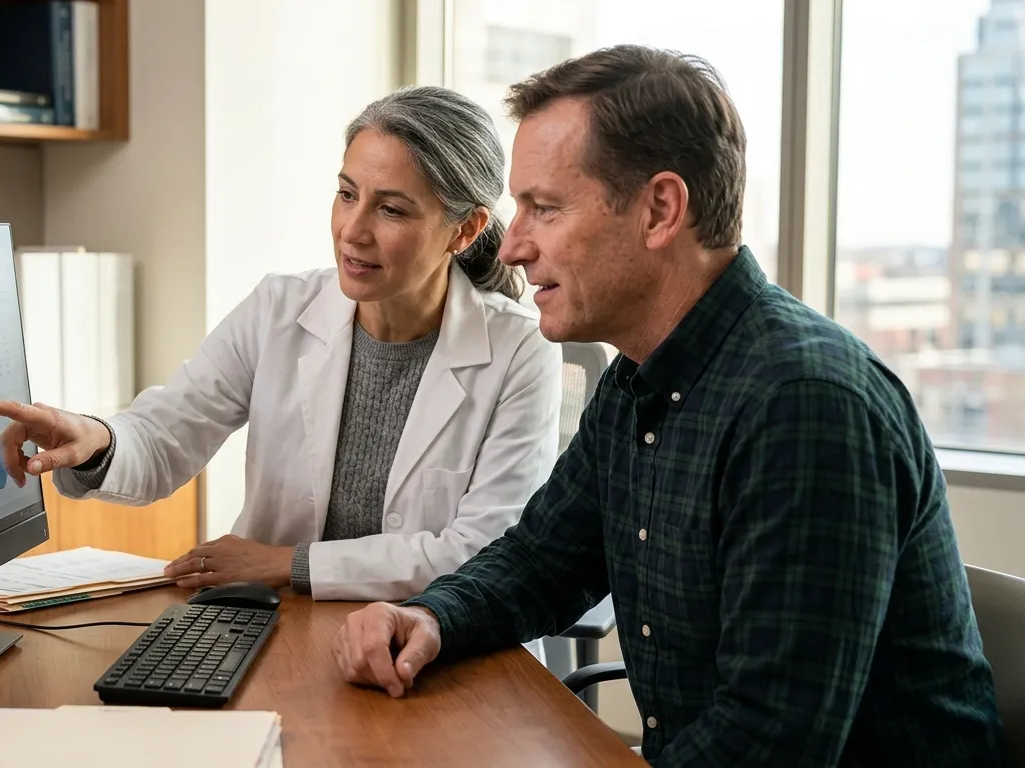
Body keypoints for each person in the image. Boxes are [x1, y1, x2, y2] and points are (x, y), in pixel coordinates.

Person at [332, 45, 1010, 765]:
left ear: (660, 209)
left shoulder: (806, 406)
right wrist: (431, 617)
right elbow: (544, 561)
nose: (515, 247)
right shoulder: (636, 380)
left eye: (545, 208)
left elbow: (770, 743)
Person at [0, 85, 562, 602]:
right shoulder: (281, 309)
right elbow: (168, 433)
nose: (352, 231)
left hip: (439, 647)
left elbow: (483, 551)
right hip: (283, 630)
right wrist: (97, 440)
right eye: (347, 194)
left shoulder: (520, 351)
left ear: (465, 229)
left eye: (391, 209)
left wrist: (289, 564)